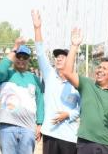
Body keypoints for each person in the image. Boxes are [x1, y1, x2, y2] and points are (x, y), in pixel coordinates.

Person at [62, 29, 108, 154]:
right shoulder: (87, 84)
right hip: (85, 143)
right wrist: (74, 46)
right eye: (99, 67)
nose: (99, 70)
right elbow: (67, 72)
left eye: (105, 68)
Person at [31, 10, 80, 154]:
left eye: (63, 57)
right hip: (50, 134)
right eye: (57, 57)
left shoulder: (78, 83)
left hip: (69, 136)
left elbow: (82, 107)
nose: (58, 59)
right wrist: (37, 28)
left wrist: (69, 115)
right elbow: (40, 52)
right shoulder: (50, 75)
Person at [0, 37, 45, 154]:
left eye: (25, 58)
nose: (21, 60)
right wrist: (15, 48)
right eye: (19, 57)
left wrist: (39, 124)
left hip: (28, 128)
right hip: (8, 127)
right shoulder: (6, 74)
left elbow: (40, 102)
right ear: (14, 58)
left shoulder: (34, 78)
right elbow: (0, 69)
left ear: (28, 60)